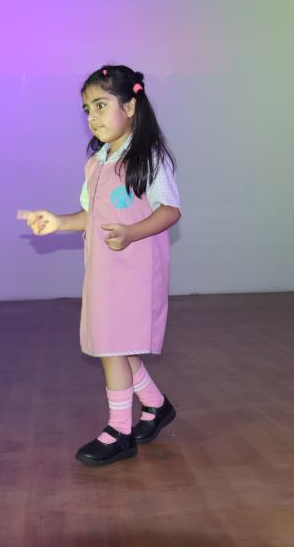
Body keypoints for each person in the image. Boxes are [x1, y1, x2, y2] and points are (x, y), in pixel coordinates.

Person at [25, 65, 181, 466]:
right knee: (118, 344)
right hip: (104, 270)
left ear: (129, 106)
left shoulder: (149, 157)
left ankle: (120, 431)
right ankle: (156, 405)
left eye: (100, 105)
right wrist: (58, 222)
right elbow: (89, 215)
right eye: (87, 109)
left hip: (135, 271)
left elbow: (170, 210)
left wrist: (132, 232)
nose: (92, 117)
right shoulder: (97, 162)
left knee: (112, 346)